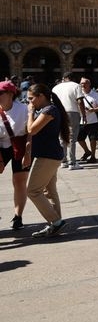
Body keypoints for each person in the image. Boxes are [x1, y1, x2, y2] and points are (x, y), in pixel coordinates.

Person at [25, 83, 71, 238]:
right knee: (49, 191)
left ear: (41, 96)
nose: (30, 102)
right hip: (50, 155)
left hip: (47, 156)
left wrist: (30, 113)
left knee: (32, 190)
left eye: (31, 99)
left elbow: (31, 130)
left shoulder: (49, 110)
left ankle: (56, 221)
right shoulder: (48, 109)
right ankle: (55, 224)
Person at [0, 81, 29, 230]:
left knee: (19, 181)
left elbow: (31, 132)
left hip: (20, 145)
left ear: (11, 94)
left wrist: (28, 153)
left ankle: (18, 216)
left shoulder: (24, 109)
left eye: (1, 93)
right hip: (1, 147)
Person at [51, 72, 87, 170]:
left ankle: (63, 161)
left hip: (58, 112)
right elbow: (80, 101)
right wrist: (83, 114)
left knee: (61, 137)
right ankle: (72, 162)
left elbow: (52, 102)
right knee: (72, 138)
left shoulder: (56, 88)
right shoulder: (76, 86)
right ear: (73, 78)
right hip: (72, 112)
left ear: (64, 78)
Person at [77, 78, 98, 164]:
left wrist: (93, 110)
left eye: (84, 83)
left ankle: (93, 156)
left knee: (93, 139)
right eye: (81, 83)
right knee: (79, 138)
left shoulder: (95, 94)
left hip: (93, 120)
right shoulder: (78, 94)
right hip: (81, 121)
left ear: (89, 84)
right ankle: (87, 151)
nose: (82, 85)